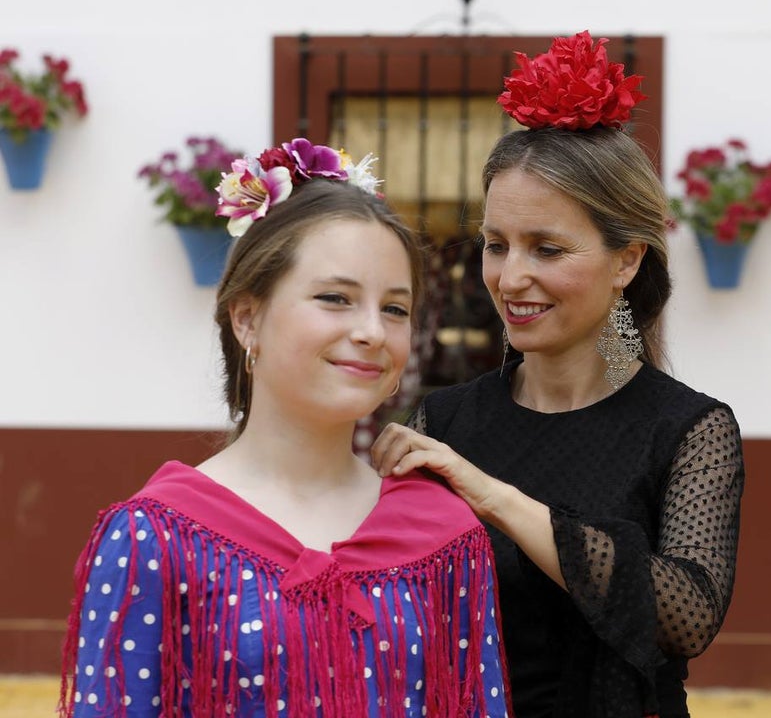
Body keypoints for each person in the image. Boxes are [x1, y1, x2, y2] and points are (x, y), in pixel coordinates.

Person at [59, 140, 511, 717]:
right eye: (335, 298)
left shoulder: (444, 536)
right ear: (248, 318)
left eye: (395, 309)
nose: (373, 331)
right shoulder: (158, 539)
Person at [372, 32, 745, 718]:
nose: (512, 277)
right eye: (496, 245)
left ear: (626, 261)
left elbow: (687, 616)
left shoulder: (689, 429)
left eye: (547, 248)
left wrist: (493, 496)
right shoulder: (448, 421)